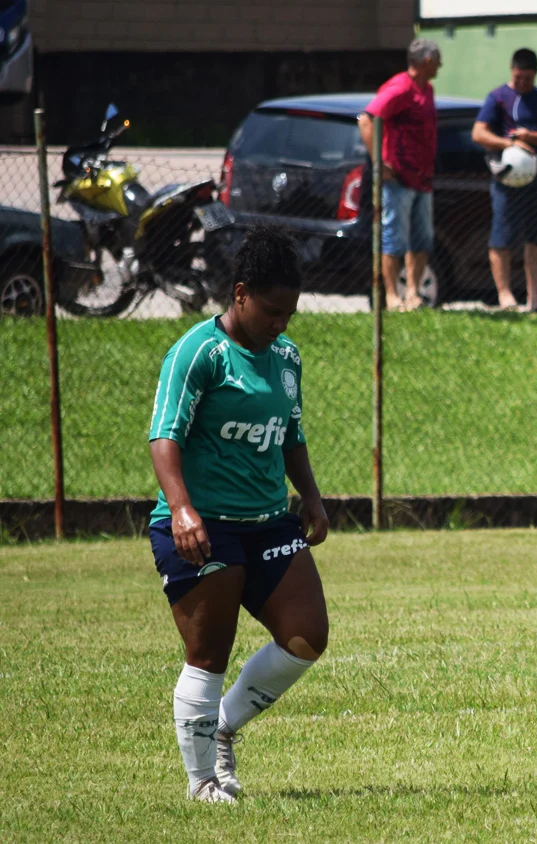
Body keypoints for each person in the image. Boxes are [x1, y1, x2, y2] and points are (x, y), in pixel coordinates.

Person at [146, 226, 330, 803]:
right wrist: (181, 510)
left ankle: (221, 727)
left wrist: (313, 496)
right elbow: (164, 436)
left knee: (307, 636)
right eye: (273, 310)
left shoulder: (286, 357)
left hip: (270, 521)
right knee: (209, 653)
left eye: (291, 313)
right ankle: (202, 781)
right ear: (241, 293)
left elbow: (290, 433)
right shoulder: (199, 352)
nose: (282, 323)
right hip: (206, 526)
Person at [472, 48, 537, 317]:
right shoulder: (498, 98)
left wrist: (532, 137)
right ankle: (505, 297)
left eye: (527, 78)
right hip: (508, 180)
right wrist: (512, 142)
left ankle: (535, 298)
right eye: (518, 77)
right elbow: (479, 133)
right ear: (511, 71)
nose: (522, 83)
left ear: (535, 74)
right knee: (502, 236)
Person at [359, 39, 441, 312]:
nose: (441, 64)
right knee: (393, 238)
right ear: (426, 60)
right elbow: (367, 118)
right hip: (398, 181)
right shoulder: (400, 87)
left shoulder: (427, 89)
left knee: (421, 239)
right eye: (438, 58)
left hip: (422, 179)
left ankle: (413, 294)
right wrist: (378, 162)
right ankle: (392, 297)